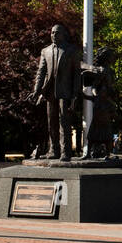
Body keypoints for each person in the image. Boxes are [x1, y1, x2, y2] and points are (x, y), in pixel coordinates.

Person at [28, 24, 82, 161]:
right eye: (52, 33)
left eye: (56, 33)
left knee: (64, 122)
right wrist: (36, 91)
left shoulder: (72, 51)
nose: (53, 35)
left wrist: (75, 94)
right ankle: (54, 150)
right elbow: (41, 73)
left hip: (66, 92)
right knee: (51, 122)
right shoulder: (45, 51)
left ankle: (66, 152)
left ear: (63, 34)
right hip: (50, 91)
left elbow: (77, 75)